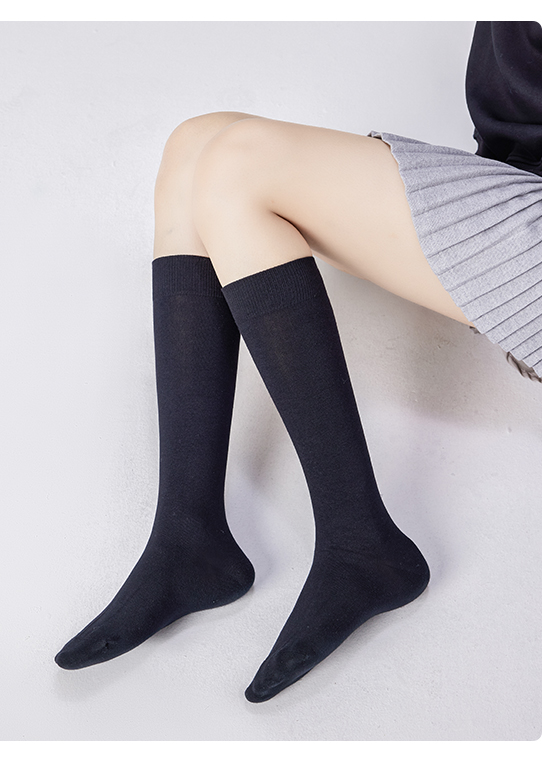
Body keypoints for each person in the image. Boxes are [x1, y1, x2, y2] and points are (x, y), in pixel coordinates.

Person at [55, 21, 542, 703]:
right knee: (197, 144)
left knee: (240, 163)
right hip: (516, 185)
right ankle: (189, 535)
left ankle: (358, 541)